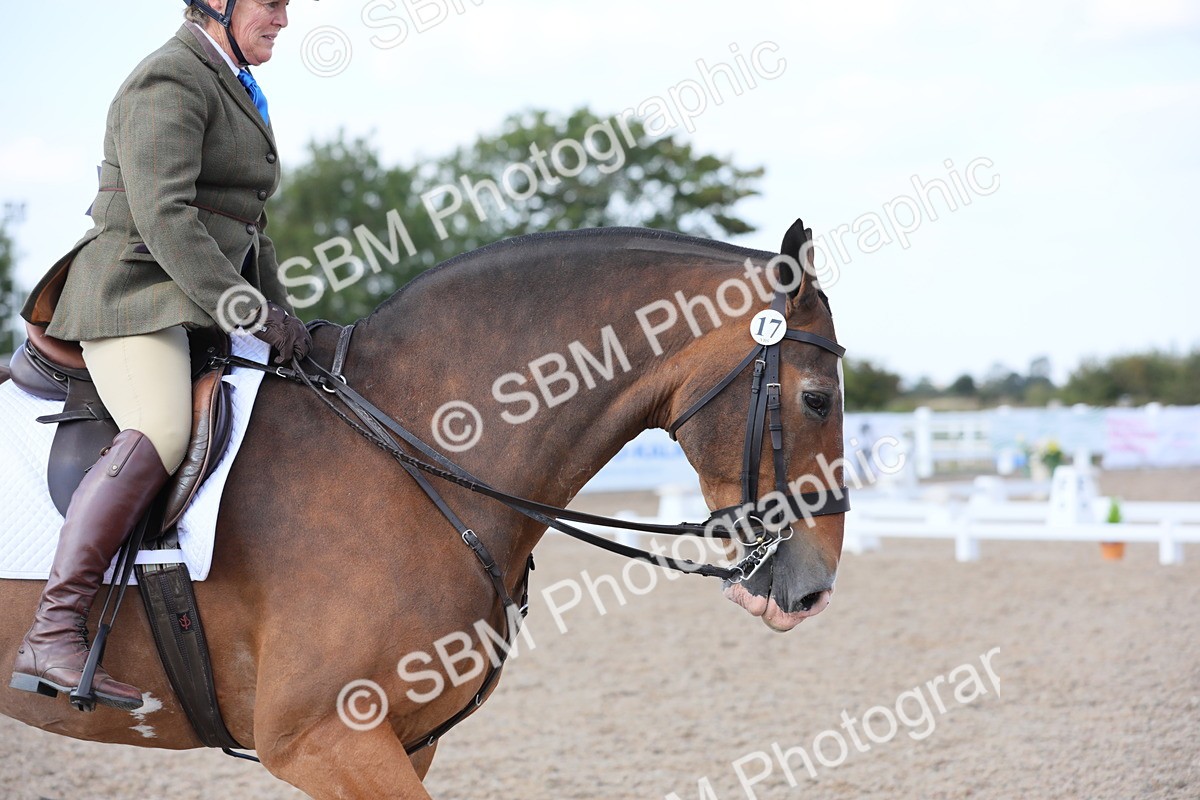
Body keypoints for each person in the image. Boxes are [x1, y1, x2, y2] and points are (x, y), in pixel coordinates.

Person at [10, 0, 311, 712]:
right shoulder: (168, 79)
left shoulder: (232, 82)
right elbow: (163, 216)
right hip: (132, 294)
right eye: (272, 4)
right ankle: (52, 630)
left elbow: (247, 225)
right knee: (164, 426)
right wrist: (245, 310)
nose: (285, 19)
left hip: (195, 298)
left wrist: (283, 317)